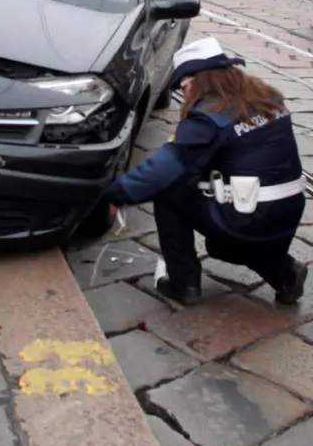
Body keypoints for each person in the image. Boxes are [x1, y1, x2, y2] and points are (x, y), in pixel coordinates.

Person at [106, 37, 307, 307]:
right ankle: (286, 274)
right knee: (222, 244)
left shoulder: (210, 115)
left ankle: (183, 284)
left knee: (170, 192)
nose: (184, 92)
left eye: (183, 85)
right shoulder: (267, 97)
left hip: (249, 218)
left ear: (198, 80)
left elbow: (165, 167)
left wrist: (118, 193)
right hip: (289, 210)